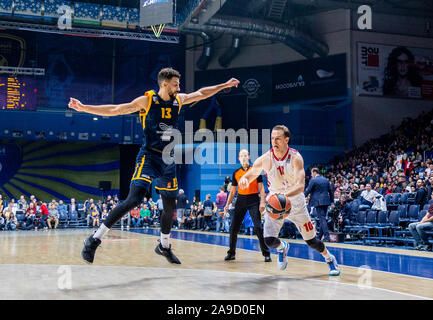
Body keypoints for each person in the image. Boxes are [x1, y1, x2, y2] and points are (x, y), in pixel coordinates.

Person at [69, 67, 240, 264]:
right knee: (134, 199)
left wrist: (225, 85)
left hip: (168, 159)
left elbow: (201, 93)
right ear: (164, 84)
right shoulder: (147, 101)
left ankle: (164, 246)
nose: (178, 87)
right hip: (149, 156)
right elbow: (117, 109)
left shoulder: (179, 100)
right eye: (175, 84)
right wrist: (84, 108)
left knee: (170, 206)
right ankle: (93, 240)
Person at [238, 125, 340, 276]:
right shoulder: (267, 158)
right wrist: (245, 179)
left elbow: (300, 186)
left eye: (278, 138)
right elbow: (253, 172)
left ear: (286, 140)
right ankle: (282, 247)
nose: (274, 141)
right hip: (275, 202)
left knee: (312, 241)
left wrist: (283, 195)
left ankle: (329, 258)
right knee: (268, 240)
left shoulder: (296, 157)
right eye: (272, 138)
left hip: (295, 203)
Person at [224, 149, 271, 262]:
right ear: (239, 159)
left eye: (245, 155)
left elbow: (261, 189)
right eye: (241, 156)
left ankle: (266, 253)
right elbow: (233, 192)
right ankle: (231, 253)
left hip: (253, 199)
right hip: (240, 200)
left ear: (249, 157)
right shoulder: (236, 173)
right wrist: (227, 205)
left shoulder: (255, 171)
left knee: (258, 227)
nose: (244, 157)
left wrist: (262, 202)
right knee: (233, 228)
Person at [304, 168, 334, 242]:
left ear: (314, 172)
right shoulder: (326, 180)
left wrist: (302, 197)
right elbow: (331, 191)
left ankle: (327, 237)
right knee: (322, 219)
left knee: (322, 219)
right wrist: (332, 202)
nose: (311, 175)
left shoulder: (313, 180)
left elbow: (308, 190)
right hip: (326, 201)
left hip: (318, 201)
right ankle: (319, 237)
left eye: (311, 173)